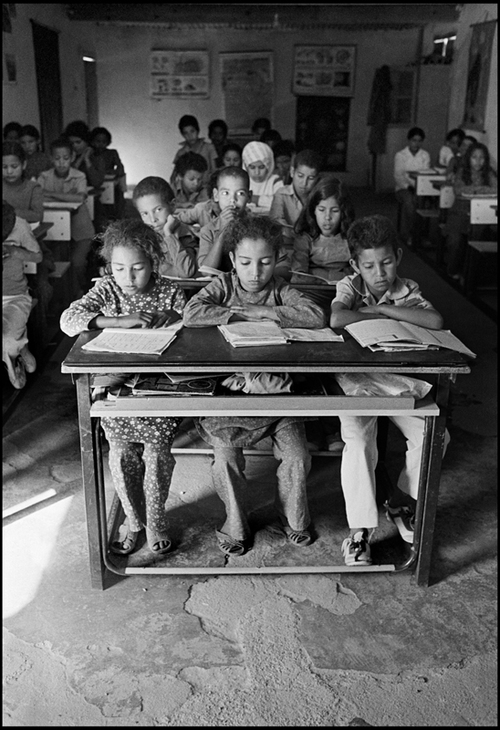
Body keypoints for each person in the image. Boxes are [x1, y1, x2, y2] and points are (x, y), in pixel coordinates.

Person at [183, 214, 326, 556]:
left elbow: (316, 316)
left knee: (296, 456)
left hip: (279, 395)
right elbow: (192, 313)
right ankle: (236, 520)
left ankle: (293, 517)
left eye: (264, 262)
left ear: (277, 259)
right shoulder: (225, 286)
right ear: (232, 260)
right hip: (231, 394)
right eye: (245, 262)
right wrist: (241, 314)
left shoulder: (280, 289)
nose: (255, 272)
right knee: (225, 458)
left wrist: (268, 313)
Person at [60, 218, 188, 556]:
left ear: (154, 263)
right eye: (119, 268)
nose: (128, 279)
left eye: (138, 268)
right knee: (120, 456)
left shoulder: (170, 290)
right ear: (109, 267)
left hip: (158, 392)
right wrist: (117, 320)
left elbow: (194, 324)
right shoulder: (106, 289)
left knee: (157, 457)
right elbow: (68, 319)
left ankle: (157, 519)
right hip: (116, 392)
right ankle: (133, 520)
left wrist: (175, 319)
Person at [330, 214, 447, 566]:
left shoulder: (407, 289)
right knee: (360, 441)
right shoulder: (349, 286)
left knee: (435, 437)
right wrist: (395, 316)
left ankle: (399, 501)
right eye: (369, 266)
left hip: (399, 381)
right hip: (357, 381)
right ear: (355, 265)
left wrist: (381, 308)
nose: (379, 273)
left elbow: (436, 322)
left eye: (386, 262)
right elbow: (337, 318)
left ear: (397, 256)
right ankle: (360, 532)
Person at [197, 166, 289, 278]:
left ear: (249, 196)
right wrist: (222, 231)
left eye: (240, 193)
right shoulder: (208, 230)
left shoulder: (264, 226)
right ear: (216, 195)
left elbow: (284, 269)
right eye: (226, 193)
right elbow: (206, 271)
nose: (232, 200)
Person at [37, 137, 96, 295]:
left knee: (77, 262)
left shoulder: (79, 176)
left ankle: (80, 291)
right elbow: (38, 197)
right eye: (57, 159)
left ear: (73, 158)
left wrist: (50, 194)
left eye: (65, 158)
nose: (61, 163)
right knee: (56, 263)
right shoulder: (44, 176)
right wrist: (66, 196)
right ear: (51, 159)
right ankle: (61, 295)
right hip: (53, 229)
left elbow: (80, 198)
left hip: (80, 228)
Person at [3, 201, 42, 389]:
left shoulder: (19, 226)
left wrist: (13, 251)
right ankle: (17, 347)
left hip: (15, 296)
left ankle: (17, 348)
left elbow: (37, 256)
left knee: (8, 342)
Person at [444, 142, 497, 281]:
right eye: (474, 157)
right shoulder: (462, 172)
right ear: (468, 158)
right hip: (459, 214)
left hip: (480, 215)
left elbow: (496, 189)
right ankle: (453, 270)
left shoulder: (489, 173)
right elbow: (459, 190)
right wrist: (482, 190)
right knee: (455, 241)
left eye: (482, 158)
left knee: (478, 241)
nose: (478, 161)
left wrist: (474, 190)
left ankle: (471, 275)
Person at [290, 173, 354, 285]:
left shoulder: (351, 236)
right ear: (313, 210)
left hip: (345, 289)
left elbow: (361, 271)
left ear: (344, 212)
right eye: (321, 210)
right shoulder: (305, 238)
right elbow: (298, 275)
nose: (327, 217)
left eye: (334, 211)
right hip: (313, 290)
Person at [132, 175, 199, 278]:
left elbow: (186, 272)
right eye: (145, 213)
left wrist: (168, 233)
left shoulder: (184, 233)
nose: (153, 219)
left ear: (172, 205)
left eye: (158, 210)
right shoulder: (141, 237)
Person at [270, 148, 322, 242]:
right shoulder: (281, 194)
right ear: (292, 172)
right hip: (288, 244)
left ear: (317, 178)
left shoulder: (321, 197)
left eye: (311, 178)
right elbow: (276, 221)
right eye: (300, 176)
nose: (304, 183)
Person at [394, 127, 431, 247]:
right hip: (403, 188)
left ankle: (423, 234)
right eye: (414, 140)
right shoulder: (401, 155)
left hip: (421, 188)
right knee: (410, 202)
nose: (416, 143)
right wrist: (408, 187)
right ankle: (411, 234)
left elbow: (426, 174)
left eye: (419, 141)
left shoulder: (425, 155)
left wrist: (419, 188)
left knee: (426, 204)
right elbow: (398, 176)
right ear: (409, 140)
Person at [2, 141, 44, 223]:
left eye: (14, 167)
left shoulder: (33, 188)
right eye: (4, 167)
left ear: (24, 164)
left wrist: (7, 212)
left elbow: (38, 216)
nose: (9, 171)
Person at [90, 126, 127, 218]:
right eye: (98, 141)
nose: (101, 144)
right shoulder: (90, 154)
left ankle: (116, 216)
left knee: (116, 194)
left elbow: (120, 168)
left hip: (110, 181)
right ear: (92, 142)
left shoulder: (112, 153)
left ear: (108, 142)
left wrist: (110, 171)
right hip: (95, 182)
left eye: (104, 142)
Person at [172, 114, 218, 183]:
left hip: (206, 187)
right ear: (182, 134)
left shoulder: (209, 147)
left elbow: (214, 171)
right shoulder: (181, 152)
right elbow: (174, 176)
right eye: (186, 133)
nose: (190, 136)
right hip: (188, 190)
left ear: (198, 130)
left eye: (192, 131)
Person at [241, 141, 284, 210]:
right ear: (246, 166)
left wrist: (254, 199)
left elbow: (280, 203)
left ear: (268, 166)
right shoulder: (242, 181)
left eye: (261, 167)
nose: (257, 172)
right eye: (252, 167)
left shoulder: (275, 181)